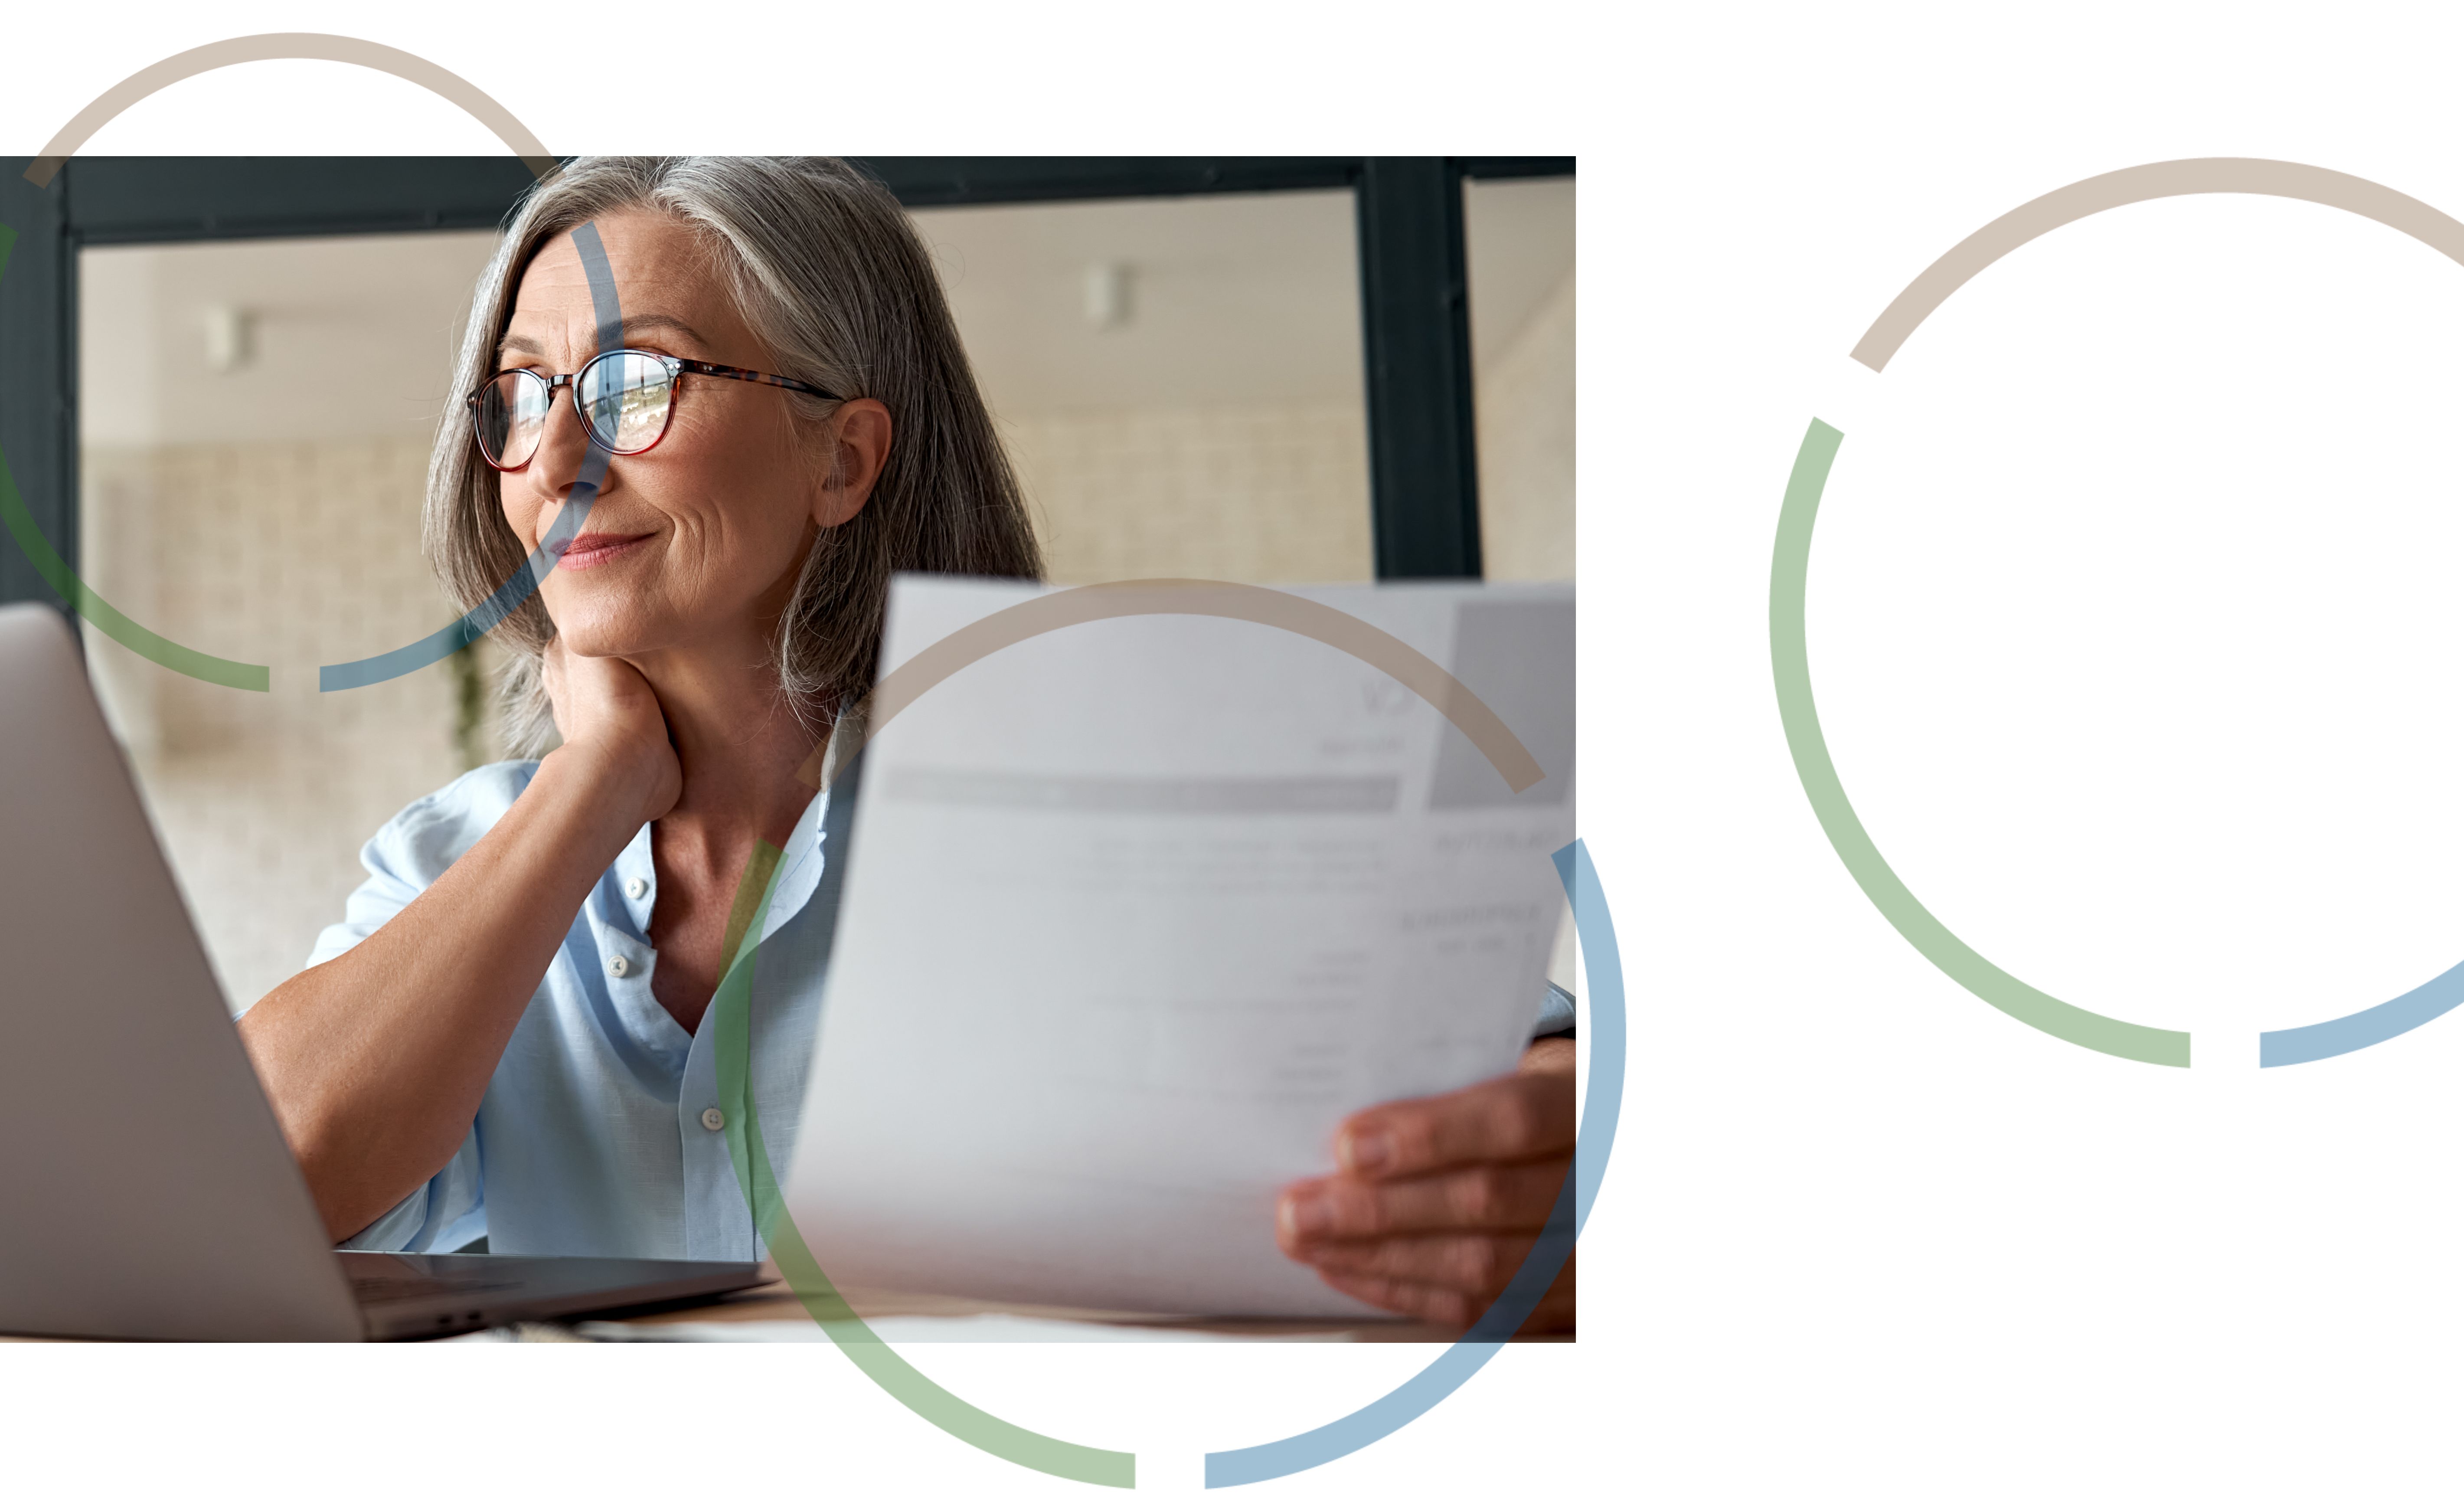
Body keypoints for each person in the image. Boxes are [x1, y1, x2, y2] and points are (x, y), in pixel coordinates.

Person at [237, 156, 1575, 1332]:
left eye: (637, 382)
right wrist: (592, 787)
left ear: (845, 460)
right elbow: (260, 1177)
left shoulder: (1087, 807)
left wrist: (1566, 1160)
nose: (558, 454)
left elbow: (1537, 1088)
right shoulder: (453, 860)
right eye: (521, 398)